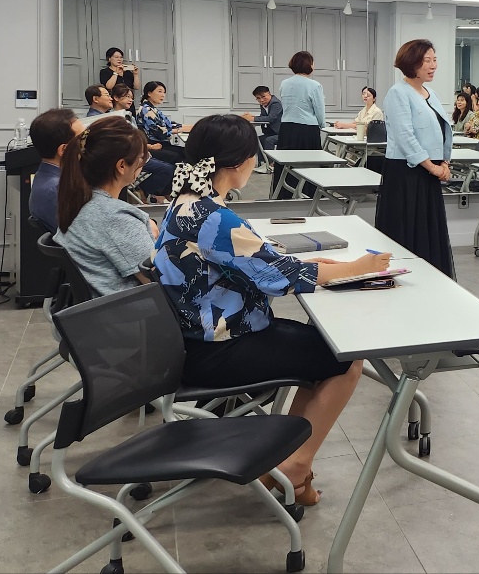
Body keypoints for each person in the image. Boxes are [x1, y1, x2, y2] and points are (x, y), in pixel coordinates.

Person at [153, 114, 390, 507]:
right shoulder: (213, 217)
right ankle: (296, 467)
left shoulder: (187, 204)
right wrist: (355, 268)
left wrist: (313, 267)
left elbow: (252, 261)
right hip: (217, 349)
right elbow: (275, 276)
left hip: (196, 339)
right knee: (345, 358)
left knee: (318, 350)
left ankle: (286, 460)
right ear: (238, 162)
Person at [55, 116, 158, 297]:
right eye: (142, 158)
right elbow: (159, 280)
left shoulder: (80, 201)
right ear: (122, 165)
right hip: (130, 308)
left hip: (103, 308)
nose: (143, 163)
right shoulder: (115, 218)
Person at [378, 39, 456, 277]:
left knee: (427, 230)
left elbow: (442, 130)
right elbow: (405, 137)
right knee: (407, 229)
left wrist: (445, 163)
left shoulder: (430, 93)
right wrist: (432, 167)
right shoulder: (398, 93)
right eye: (427, 61)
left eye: (434, 60)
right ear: (412, 63)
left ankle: (428, 279)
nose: (433, 65)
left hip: (429, 171)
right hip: (406, 173)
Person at [273, 54, 325, 198]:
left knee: (287, 164)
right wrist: (322, 125)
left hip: (287, 128)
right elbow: (319, 110)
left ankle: (284, 194)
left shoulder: (284, 83)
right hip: (307, 129)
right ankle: (309, 194)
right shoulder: (315, 85)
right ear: (309, 64)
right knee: (309, 164)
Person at [29, 108, 82, 233]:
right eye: (83, 139)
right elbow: (87, 237)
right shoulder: (57, 189)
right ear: (64, 150)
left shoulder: (44, 177)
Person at [137, 81, 187, 165]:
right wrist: (179, 130)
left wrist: (186, 127)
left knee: (185, 151)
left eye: (164, 92)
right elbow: (160, 133)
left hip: (160, 143)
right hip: (154, 144)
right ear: (149, 93)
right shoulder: (146, 110)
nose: (163, 95)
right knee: (182, 154)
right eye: (160, 91)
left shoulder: (152, 109)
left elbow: (169, 124)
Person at [242, 85, 284, 149]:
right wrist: (251, 117)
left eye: (263, 96)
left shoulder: (276, 103)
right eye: (258, 98)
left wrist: (253, 118)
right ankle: (261, 156)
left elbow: (270, 118)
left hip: (281, 133)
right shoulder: (263, 104)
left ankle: (269, 156)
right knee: (257, 140)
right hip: (271, 132)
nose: (261, 100)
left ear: (269, 93)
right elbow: (263, 117)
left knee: (268, 140)